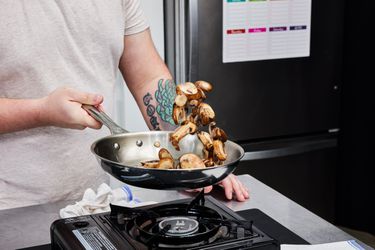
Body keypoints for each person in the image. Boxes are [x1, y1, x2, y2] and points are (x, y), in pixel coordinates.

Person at [0, 0, 249, 210]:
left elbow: (147, 79)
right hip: (11, 208)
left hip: (92, 202)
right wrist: (41, 111)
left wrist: (188, 158)